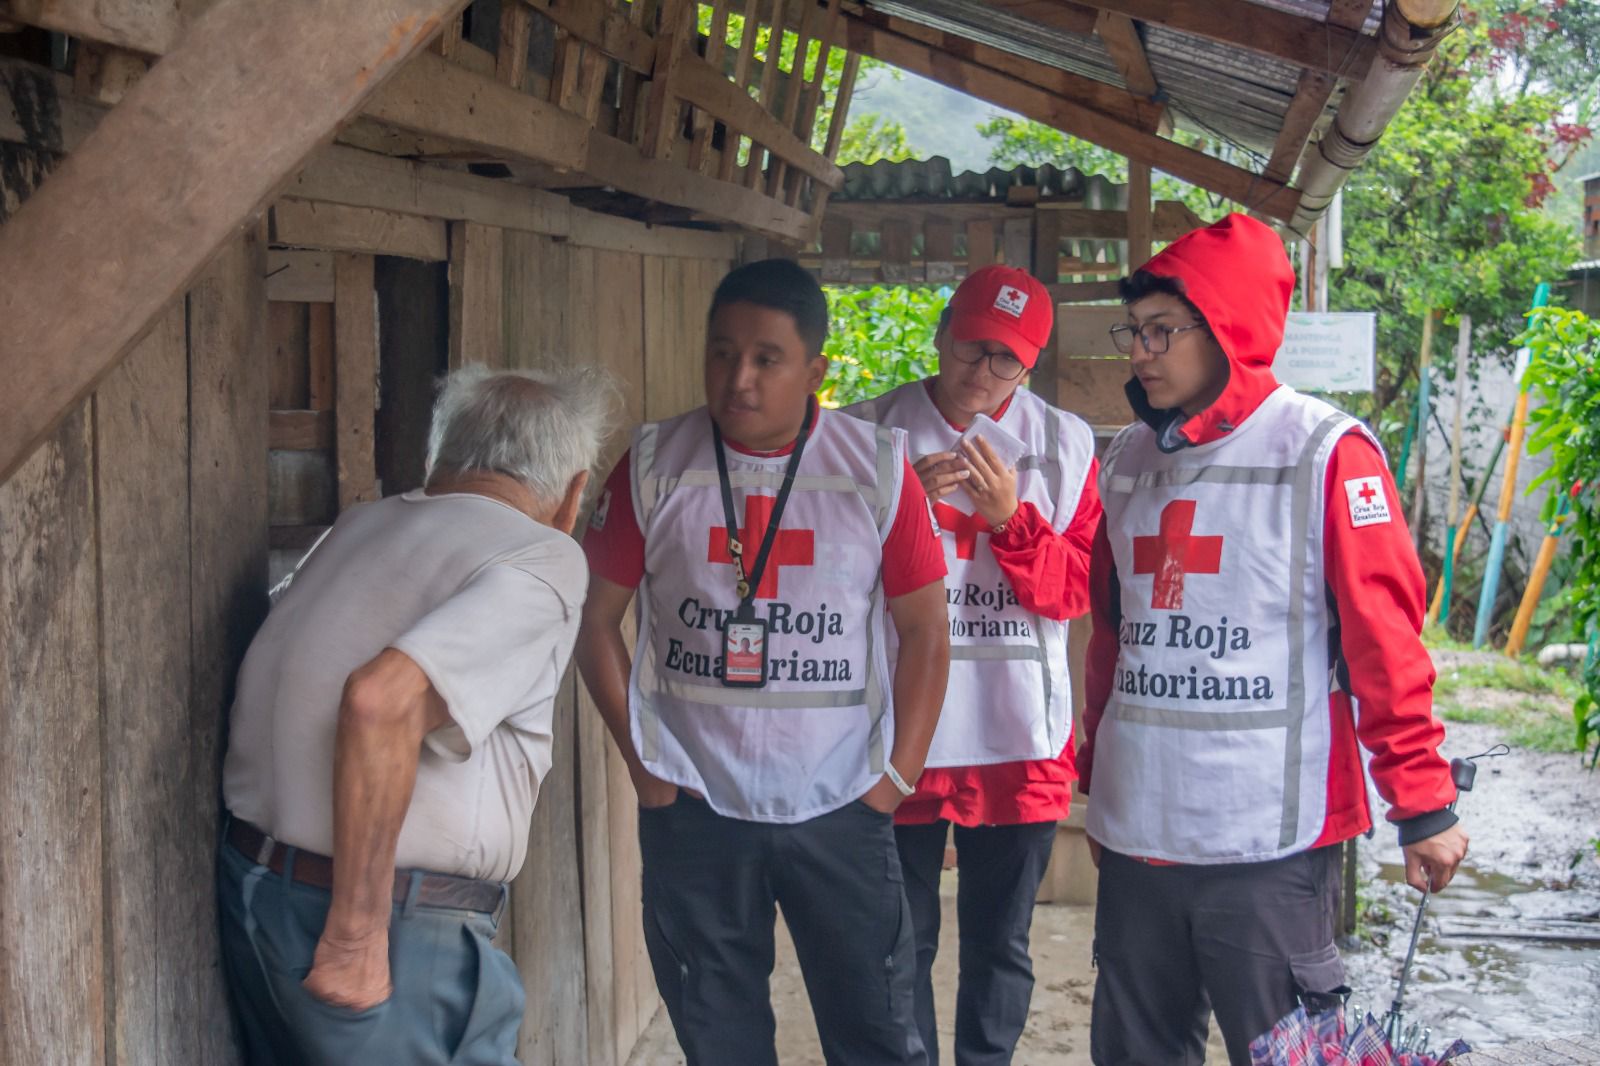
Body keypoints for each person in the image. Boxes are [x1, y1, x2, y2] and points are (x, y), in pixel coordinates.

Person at [1079, 214, 1470, 1064]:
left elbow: (1384, 640)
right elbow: (1111, 636)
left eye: (1160, 331)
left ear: (1226, 327)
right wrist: (1094, 768)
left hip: (1267, 841)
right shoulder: (1125, 461)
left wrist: (1422, 803)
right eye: (1133, 332)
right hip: (1140, 828)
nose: (1139, 352)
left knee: (1283, 1051)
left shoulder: (1325, 452)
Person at [577, 258, 951, 1066]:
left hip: (842, 800)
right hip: (695, 800)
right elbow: (595, 620)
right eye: (721, 353)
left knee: (879, 1033)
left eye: (765, 359)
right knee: (719, 1035)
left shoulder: (874, 469)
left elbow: (924, 630)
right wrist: (644, 766)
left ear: (815, 369)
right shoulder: (653, 464)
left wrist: (897, 778)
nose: (737, 379)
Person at [217, 365, 614, 1066]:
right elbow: (380, 702)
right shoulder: (542, 556)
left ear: (440, 458)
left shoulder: (362, 526)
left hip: (256, 892)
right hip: (382, 934)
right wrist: (355, 936)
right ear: (573, 493)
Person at [846, 265, 1100, 1066]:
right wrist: (894, 515)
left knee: (1001, 944)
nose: (982, 374)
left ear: (1030, 367)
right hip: (903, 728)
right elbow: (827, 589)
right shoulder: (862, 432)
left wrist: (1011, 521)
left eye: (1007, 361)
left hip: (1016, 728)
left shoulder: (1065, 444)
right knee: (900, 940)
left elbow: (1073, 593)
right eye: (971, 348)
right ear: (941, 330)